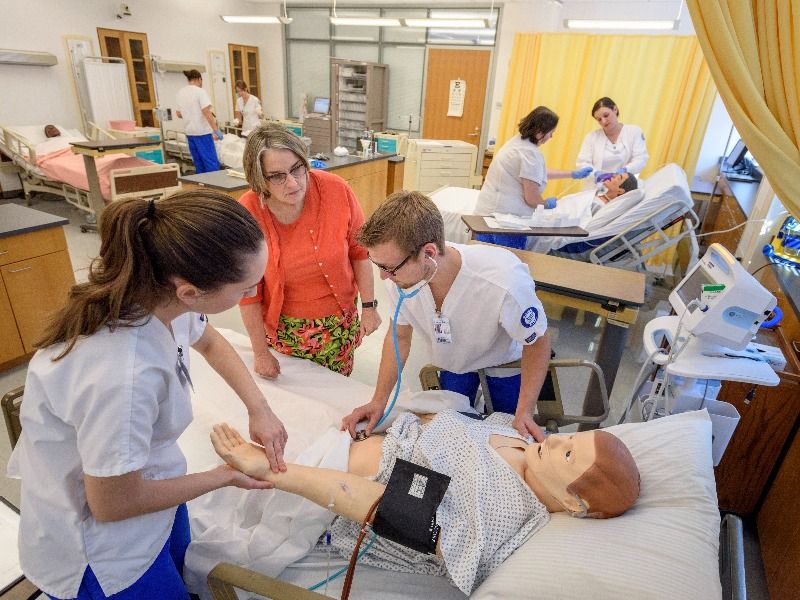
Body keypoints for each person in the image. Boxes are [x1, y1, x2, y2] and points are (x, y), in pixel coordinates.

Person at [6, 191, 290, 600]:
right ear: (190, 291)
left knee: (183, 573)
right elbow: (112, 504)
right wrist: (224, 476)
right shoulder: (121, 375)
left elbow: (209, 341)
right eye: (246, 286)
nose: (251, 293)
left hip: (153, 494)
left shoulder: (156, 291)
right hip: (103, 552)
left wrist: (259, 408)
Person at [212, 414, 640, 595]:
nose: (559, 440)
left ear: (574, 502)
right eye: (572, 437)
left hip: (314, 501)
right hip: (344, 441)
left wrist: (272, 472)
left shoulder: (505, 513)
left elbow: (386, 506)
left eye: (569, 455)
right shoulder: (527, 444)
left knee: (202, 523)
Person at [341, 191, 552, 441]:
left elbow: (538, 340)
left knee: (508, 432)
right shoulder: (401, 278)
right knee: (455, 427)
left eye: (389, 268)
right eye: (379, 266)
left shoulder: (503, 281)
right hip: (455, 362)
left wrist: (525, 411)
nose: (384, 277)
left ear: (428, 253)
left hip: (504, 362)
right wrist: (378, 401)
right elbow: (399, 337)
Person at [239, 123, 381, 379]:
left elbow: (359, 253)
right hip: (286, 331)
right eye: (277, 176)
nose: (292, 183)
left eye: (297, 168)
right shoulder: (249, 211)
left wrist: (369, 307)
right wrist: (260, 353)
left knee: (336, 395)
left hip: (340, 324)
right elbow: (248, 292)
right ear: (259, 178)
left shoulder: (336, 190)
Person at [474, 106, 594, 249]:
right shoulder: (529, 153)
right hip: (507, 223)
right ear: (539, 133)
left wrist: (571, 174)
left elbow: (533, 174)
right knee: (508, 263)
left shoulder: (517, 143)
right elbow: (531, 199)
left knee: (486, 261)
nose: (551, 137)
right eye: (551, 133)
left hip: (487, 217)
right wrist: (545, 204)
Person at [576, 97, 648, 182]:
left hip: (626, 185)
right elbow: (582, 163)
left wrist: (625, 170)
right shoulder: (591, 137)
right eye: (599, 119)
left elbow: (640, 158)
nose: (603, 121)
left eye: (606, 115)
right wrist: (596, 174)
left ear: (615, 109)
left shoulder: (634, 131)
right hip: (597, 187)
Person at [175, 69, 221, 173]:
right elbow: (206, 112)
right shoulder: (200, 92)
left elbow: (178, 114)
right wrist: (215, 130)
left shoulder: (181, 93)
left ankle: (202, 186)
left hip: (190, 133)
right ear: (199, 79)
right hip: (202, 133)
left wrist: (190, 114)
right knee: (211, 163)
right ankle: (215, 186)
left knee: (198, 162)